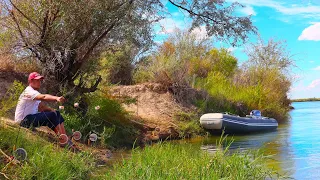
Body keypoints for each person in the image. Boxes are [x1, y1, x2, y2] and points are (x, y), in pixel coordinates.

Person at [14, 72, 78, 151]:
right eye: (37, 80)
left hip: (29, 118)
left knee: (56, 113)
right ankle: (63, 141)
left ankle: (65, 138)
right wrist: (56, 98)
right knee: (51, 116)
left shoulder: (34, 93)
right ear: (31, 81)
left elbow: (41, 107)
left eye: (40, 81)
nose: (39, 82)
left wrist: (51, 110)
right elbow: (44, 97)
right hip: (23, 121)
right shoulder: (29, 91)